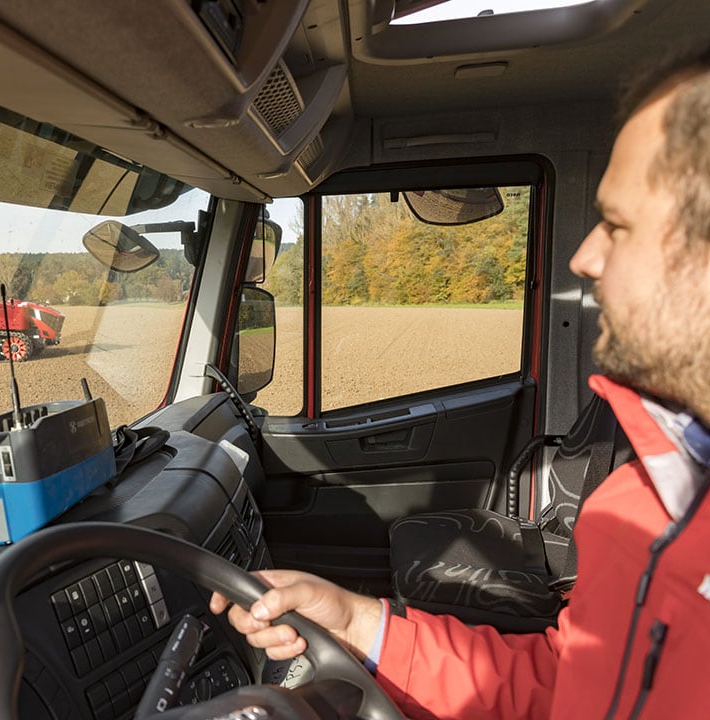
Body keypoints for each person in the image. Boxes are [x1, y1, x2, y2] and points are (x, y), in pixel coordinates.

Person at [211, 46, 710, 719]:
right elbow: (567, 685)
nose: (585, 257)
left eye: (617, 227)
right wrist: (360, 624)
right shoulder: (644, 504)